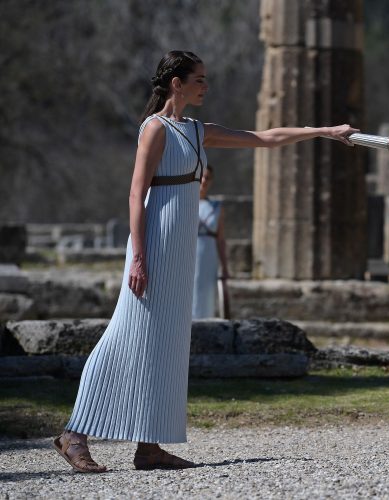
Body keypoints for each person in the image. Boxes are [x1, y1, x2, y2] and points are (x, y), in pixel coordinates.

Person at [53, 50, 358, 473]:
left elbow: (265, 137)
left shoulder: (198, 131)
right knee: (124, 334)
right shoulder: (154, 129)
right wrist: (138, 255)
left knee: (170, 342)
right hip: (154, 245)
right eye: (198, 79)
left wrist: (325, 131)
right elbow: (135, 193)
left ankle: (150, 446)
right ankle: (74, 433)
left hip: (181, 250)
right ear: (175, 83)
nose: (205, 85)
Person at [192, 165, 229, 319]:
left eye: (208, 177)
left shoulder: (216, 207)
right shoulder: (185, 203)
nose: (204, 180)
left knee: (206, 292)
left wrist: (225, 266)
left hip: (209, 253)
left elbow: (220, 239)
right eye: (202, 176)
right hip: (189, 251)